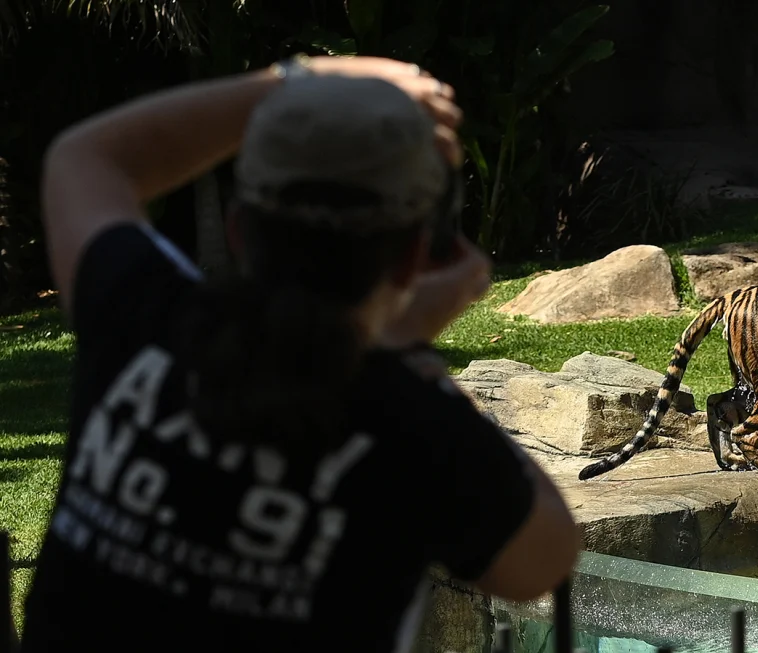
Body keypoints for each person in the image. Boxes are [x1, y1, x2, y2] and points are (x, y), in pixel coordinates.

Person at [18, 54, 581, 652]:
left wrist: (297, 80)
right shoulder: (415, 430)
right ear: (415, 255)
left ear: (237, 228)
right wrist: (404, 345)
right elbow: (545, 557)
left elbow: (84, 158)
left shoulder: (144, 317)